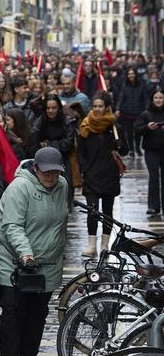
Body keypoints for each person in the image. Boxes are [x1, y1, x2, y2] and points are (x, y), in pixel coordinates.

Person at [0, 147, 69, 356]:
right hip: (13, 260)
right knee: (14, 309)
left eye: (56, 172)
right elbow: (12, 225)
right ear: (35, 168)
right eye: (47, 172)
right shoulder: (19, 188)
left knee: (38, 311)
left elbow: (60, 223)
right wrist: (25, 254)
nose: (52, 177)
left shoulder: (62, 186)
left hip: (47, 260)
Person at [77, 91, 129, 257]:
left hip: (109, 174)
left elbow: (125, 151)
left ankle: (105, 245)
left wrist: (119, 144)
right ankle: (91, 245)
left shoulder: (114, 128)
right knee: (92, 211)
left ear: (107, 107)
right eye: (95, 106)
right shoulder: (86, 126)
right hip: (91, 174)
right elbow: (80, 152)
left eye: (100, 106)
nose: (97, 109)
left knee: (107, 212)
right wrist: (84, 169)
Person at [137, 89, 164, 215]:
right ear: (152, 99)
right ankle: (153, 206)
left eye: (161, 97)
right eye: (156, 98)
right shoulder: (146, 114)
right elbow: (137, 129)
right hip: (151, 150)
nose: (158, 100)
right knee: (153, 177)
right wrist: (147, 127)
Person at [115, 68, 151, 156]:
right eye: (129, 74)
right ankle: (131, 149)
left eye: (132, 73)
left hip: (139, 112)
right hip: (126, 112)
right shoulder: (124, 85)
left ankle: (137, 148)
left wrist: (146, 109)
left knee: (138, 132)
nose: (131, 75)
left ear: (135, 74)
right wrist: (118, 109)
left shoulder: (141, 85)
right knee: (129, 132)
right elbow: (121, 98)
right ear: (127, 75)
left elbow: (146, 98)